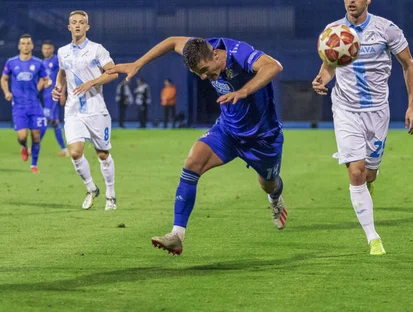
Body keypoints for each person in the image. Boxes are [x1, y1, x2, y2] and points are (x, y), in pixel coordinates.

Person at [107, 36, 287, 255]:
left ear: (215, 55)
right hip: (228, 131)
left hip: (263, 137)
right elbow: (172, 41)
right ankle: (176, 235)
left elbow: (274, 66)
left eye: (204, 70)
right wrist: (138, 63)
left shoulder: (240, 54)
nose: (203, 77)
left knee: (268, 183)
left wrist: (243, 91)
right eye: (197, 74)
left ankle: (275, 198)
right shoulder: (198, 47)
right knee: (192, 162)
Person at [312, 0, 413, 255]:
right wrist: (321, 79)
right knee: (356, 172)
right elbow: (329, 65)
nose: (351, 0)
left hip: (377, 111)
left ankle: (368, 187)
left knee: (370, 174)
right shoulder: (333, 31)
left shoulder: (387, 30)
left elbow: (408, 65)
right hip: (346, 109)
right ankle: (373, 238)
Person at [52, 10, 119, 210]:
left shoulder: (97, 50)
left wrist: (92, 82)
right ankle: (91, 189)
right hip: (73, 110)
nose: (78, 25)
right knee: (75, 152)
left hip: (96, 109)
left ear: (87, 27)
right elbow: (62, 72)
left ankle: (110, 194)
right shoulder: (62, 52)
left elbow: (113, 73)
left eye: (82, 22)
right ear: (69, 27)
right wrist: (58, 87)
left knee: (103, 154)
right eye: (74, 22)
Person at [1, 34, 51, 173]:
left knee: (36, 136)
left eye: (28, 43)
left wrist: (42, 86)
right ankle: (24, 146)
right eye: (23, 43)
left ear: (32, 46)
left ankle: (33, 165)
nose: (25, 46)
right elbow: (4, 79)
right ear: (19, 46)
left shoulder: (38, 63)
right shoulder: (11, 62)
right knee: (22, 136)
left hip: (34, 104)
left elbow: (45, 79)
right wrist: (6, 92)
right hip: (19, 106)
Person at [40, 40, 69, 156]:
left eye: (48, 48)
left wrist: (62, 93)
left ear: (52, 49)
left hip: (54, 95)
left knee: (44, 120)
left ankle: (34, 146)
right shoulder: (42, 62)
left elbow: (64, 76)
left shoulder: (57, 60)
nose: (46, 51)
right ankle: (65, 149)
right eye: (44, 49)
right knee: (55, 122)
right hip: (46, 95)